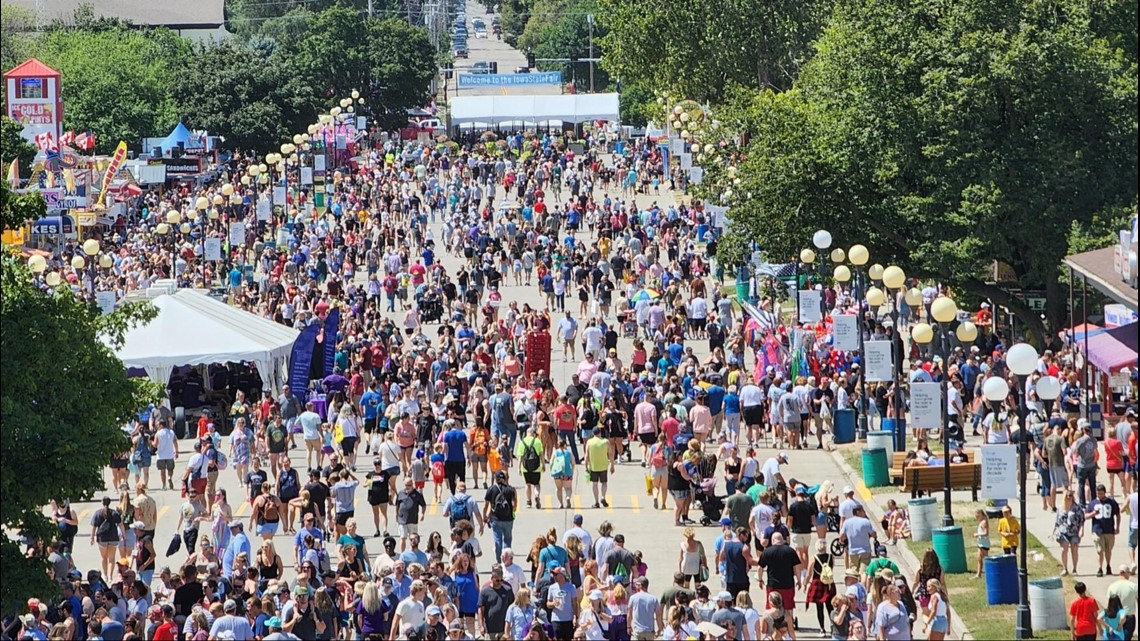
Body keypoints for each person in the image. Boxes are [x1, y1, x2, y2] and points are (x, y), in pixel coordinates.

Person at [1087, 483, 1122, 577]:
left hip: (1109, 530)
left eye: (1101, 493)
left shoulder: (1111, 502)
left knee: (1108, 550)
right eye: (1098, 493)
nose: (1099, 495)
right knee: (1099, 550)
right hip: (1097, 530)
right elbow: (1086, 516)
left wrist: (1117, 527)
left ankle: (1108, 566)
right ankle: (1100, 568)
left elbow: (1117, 515)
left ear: (1104, 493)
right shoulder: (1093, 503)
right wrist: (1093, 514)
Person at [484, 471, 518, 560]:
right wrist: (513, 511)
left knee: (498, 540)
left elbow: (486, 505)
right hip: (508, 519)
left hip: (495, 519)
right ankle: (507, 559)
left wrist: (485, 516)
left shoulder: (491, 489)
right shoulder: (511, 489)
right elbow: (514, 505)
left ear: (495, 479)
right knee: (507, 539)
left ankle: (499, 560)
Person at [585, 430, 614, 508]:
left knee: (595, 484)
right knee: (604, 483)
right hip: (603, 466)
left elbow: (586, 455)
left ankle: (596, 502)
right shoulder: (605, 441)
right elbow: (610, 454)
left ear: (593, 433)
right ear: (600, 433)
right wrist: (612, 465)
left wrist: (586, 466)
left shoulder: (589, 442)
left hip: (593, 466)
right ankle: (603, 497)